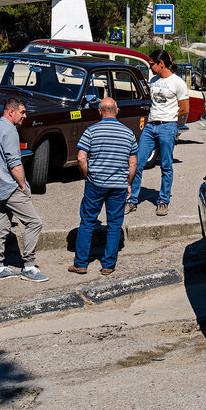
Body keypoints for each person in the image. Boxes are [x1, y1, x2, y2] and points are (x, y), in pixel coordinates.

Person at [69, 97, 138, 276]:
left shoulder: (91, 131)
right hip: (119, 185)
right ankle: (108, 265)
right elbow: (133, 163)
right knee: (115, 225)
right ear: (117, 111)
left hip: (95, 184)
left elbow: (81, 158)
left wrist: (87, 176)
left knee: (87, 222)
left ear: (100, 111)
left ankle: (81, 263)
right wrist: (129, 183)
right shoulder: (128, 133)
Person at [0, 97, 47, 282]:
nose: (25, 116)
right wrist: (23, 185)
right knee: (34, 223)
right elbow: (14, 163)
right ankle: (28, 266)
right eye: (22, 112)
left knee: (1, 226)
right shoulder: (9, 130)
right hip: (10, 187)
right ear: (11, 112)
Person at [129, 50, 190, 216]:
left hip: (167, 127)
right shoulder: (154, 80)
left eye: (152, 64)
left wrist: (170, 117)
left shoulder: (178, 83)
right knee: (137, 162)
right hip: (150, 126)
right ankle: (132, 199)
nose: (150, 67)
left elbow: (185, 109)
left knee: (166, 166)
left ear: (161, 64)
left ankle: (163, 201)